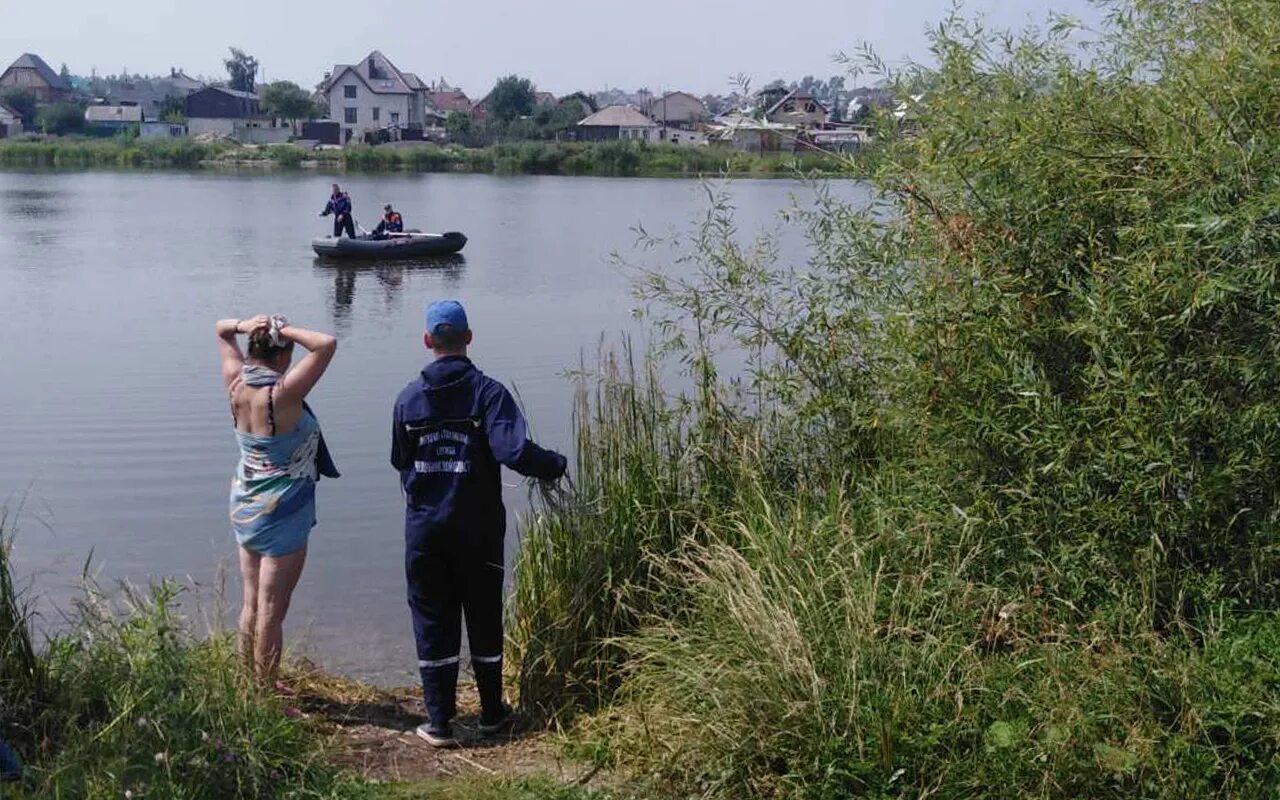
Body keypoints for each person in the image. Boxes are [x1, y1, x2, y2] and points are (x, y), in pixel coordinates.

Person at [391, 300, 567, 748]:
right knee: (484, 616)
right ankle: (492, 714)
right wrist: (555, 465)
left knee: (433, 618)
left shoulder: (408, 398)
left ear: (428, 341)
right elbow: (513, 452)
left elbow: (400, 461)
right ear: (468, 338)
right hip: (478, 530)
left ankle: (439, 723)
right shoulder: (490, 394)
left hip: (425, 531)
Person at [216, 314, 339, 684]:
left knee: (251, 602)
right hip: (282, 510)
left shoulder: (236, 381)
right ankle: (265, 693)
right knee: (271, 609)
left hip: (245, 502)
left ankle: (247, 683)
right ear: (284, 354)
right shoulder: (282, 394)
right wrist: (286, 331)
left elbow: (220, 329)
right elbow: (326, 343)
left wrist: (244, 324)